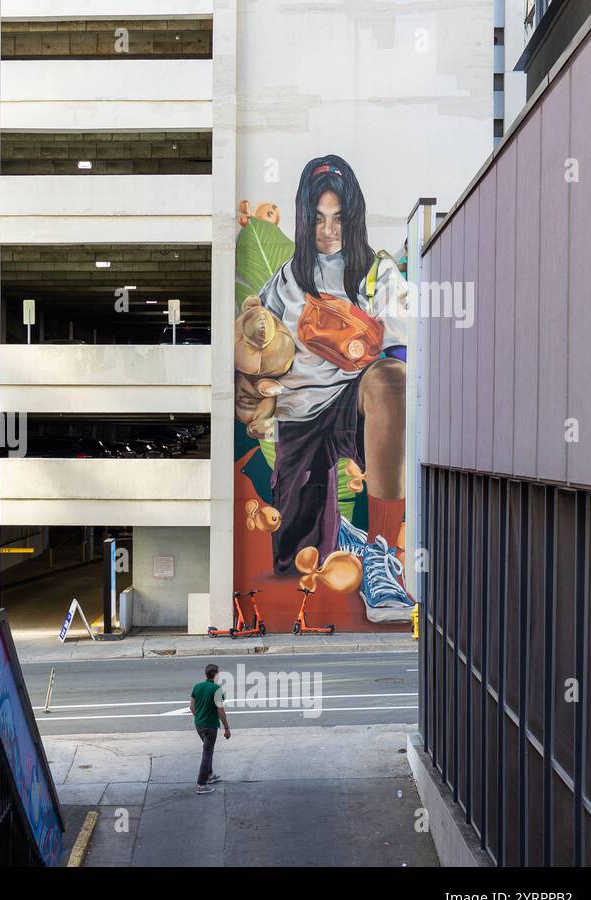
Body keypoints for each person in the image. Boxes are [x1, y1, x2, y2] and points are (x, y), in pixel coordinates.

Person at [244, 154, 413, 623]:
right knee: (297, 554)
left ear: (352, 218)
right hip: (298, 417)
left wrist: (366, 352)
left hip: (351, 404)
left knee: (391, 383)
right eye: (318, 218)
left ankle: (380, 554)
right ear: (304, 219)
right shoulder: (284, 281)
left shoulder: (377, 273)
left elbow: (401, 354)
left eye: (338, 218)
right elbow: (256, 345)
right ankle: (336, 531)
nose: (328, 230)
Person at [191, 664, 230, 794]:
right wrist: (226, 728)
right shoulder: (216, 689)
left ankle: (210, 775)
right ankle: (201, 785)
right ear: (215, 675)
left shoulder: (197, 686)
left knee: (208, 749)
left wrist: (199, 717)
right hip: (210, 726)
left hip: (199, 725)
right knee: (207, 754)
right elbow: (220, 711)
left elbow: (192, 707)